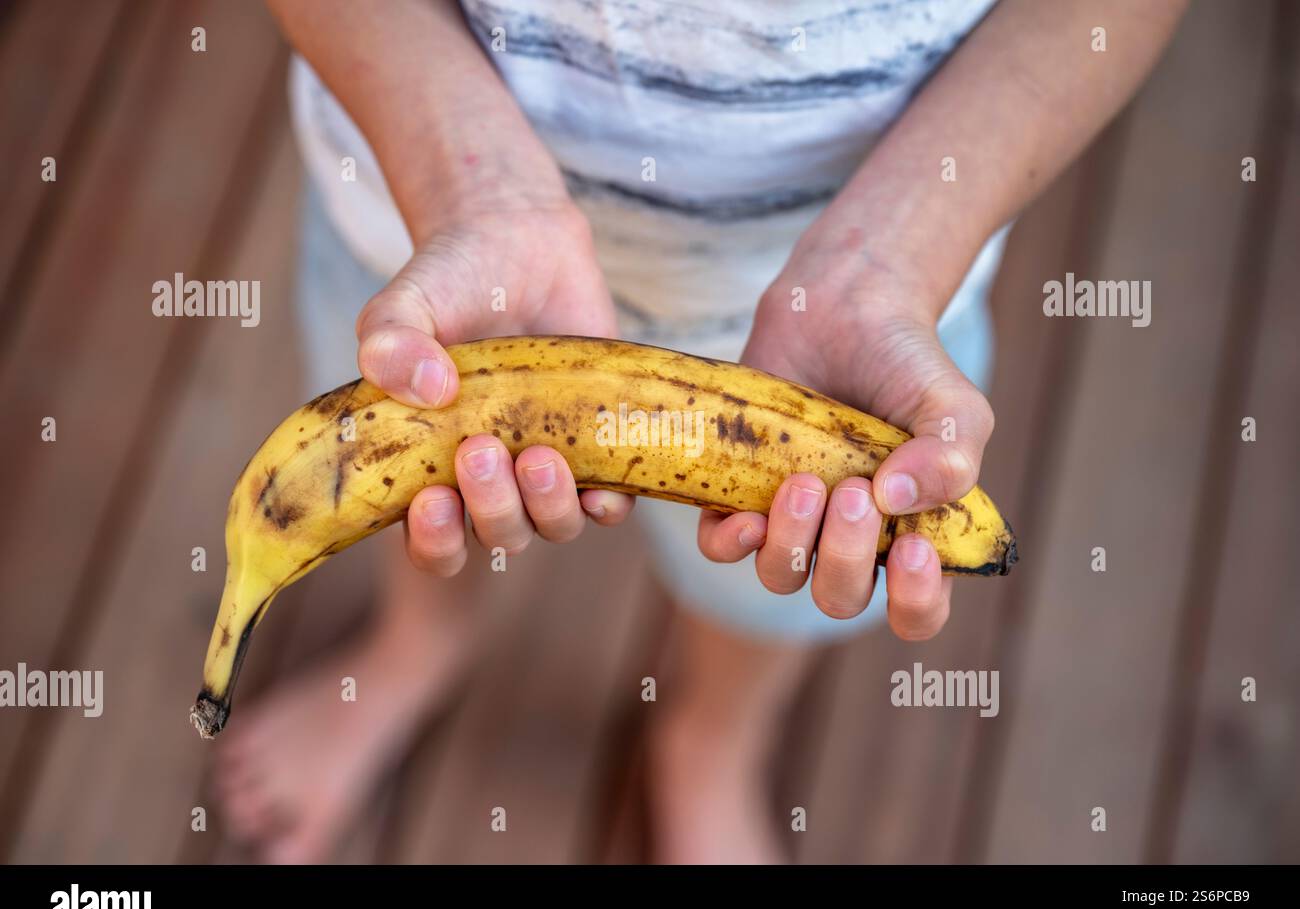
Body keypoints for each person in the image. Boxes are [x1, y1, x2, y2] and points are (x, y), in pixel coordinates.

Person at [216, 0, 1186, 863]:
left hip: (861, 307)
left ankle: (710, 741)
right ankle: (415, 643)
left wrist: (887, 258)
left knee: (789, 572)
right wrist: (473, 188)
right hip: (432, 239)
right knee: (438, 490)